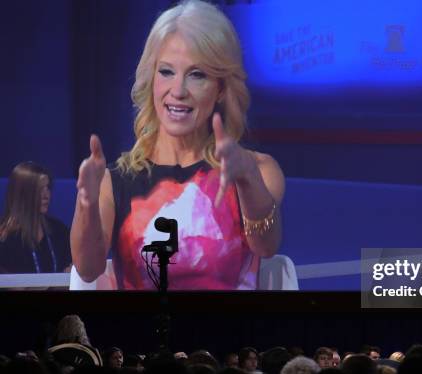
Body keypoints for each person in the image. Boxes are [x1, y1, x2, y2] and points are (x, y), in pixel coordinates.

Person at [70, 0, 284, 289]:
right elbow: (87, 270)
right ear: (152, 78)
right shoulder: (115, 181)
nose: (178, 91)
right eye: (167, 72)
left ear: (221, 89)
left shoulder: (255, 170)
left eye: (197, 75)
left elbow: (265, 247)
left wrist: (247, 178)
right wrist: (86, 203)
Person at [0, 162, 71, 274]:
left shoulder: (59, 231)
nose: (46, 195)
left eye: (47, 188)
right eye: (39, 189)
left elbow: (72, 266)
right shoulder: (5, 237)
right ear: (22, 193)